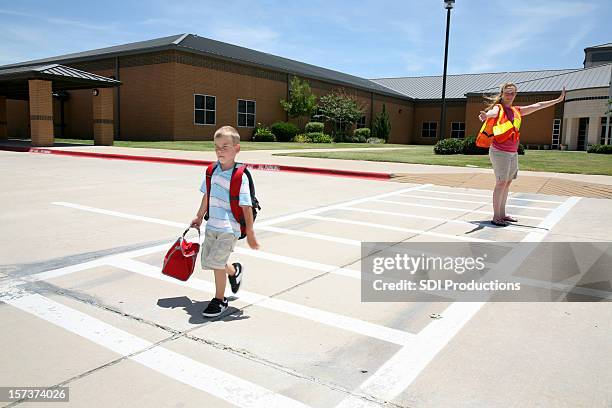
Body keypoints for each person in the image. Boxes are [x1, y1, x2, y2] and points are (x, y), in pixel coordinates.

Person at [190, 125, 260, 317]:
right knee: (209, 261)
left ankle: (220, 300)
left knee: (215, 261)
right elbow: (207, 196)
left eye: (225, 146)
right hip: (213, 224)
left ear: (236, 148)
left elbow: (246, 206)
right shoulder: (212, 171)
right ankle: (234, 271)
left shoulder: (240, 176)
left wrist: (251, 234)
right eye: (217, 146)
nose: (220, 151)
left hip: (231, 228)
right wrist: (198, 216)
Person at [478, 83, 565, 227]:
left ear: (515, 95)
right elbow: (493, 112)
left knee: (507, 183)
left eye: (512, 93)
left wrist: (556, 100)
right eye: (507, 93)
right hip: (500, 152)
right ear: (502, 94)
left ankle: (503, 214)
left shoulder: (517, 111)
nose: (509, 95)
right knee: (501, 183)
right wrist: (486, 115)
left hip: (512, 153)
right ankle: (496, 216)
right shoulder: (499, 108)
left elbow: (538, 105)